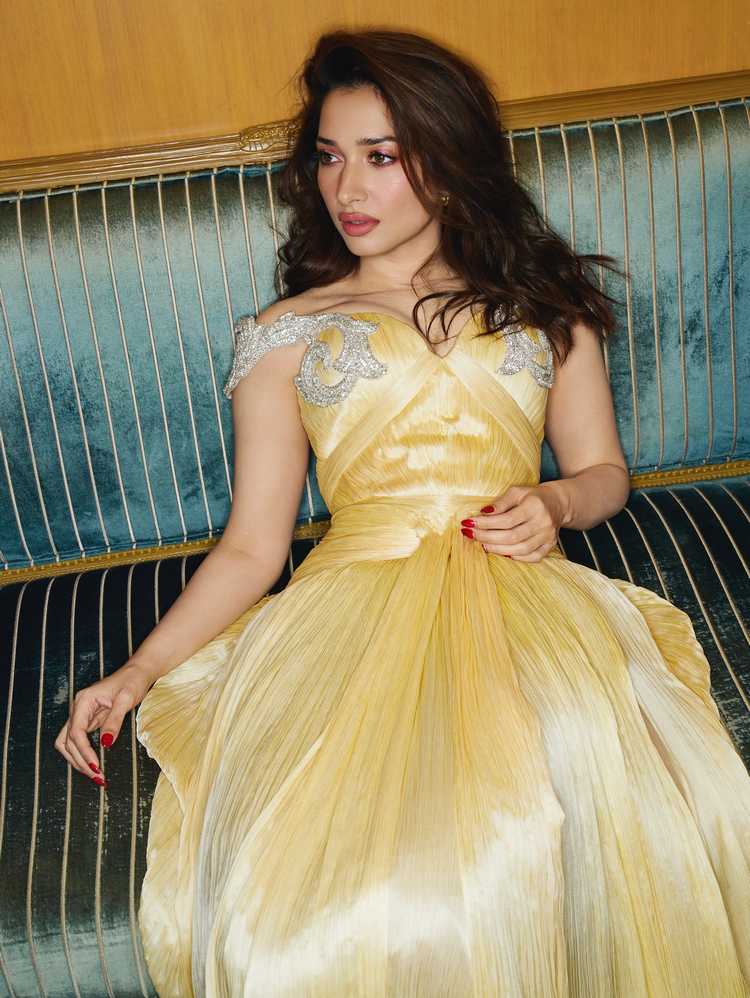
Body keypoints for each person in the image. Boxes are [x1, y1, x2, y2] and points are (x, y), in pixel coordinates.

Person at [55, 28, 750, 998]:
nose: (348, 188)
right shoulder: (286, 333)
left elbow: (603, 473)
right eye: (330, 157)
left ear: (449, 161)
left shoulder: (543, 303)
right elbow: (253, 547)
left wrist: (555, 500)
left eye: (381, 157)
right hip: (354, 605)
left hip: (521, 590)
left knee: (580, 776)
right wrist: (134, 672)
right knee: (357, 865)